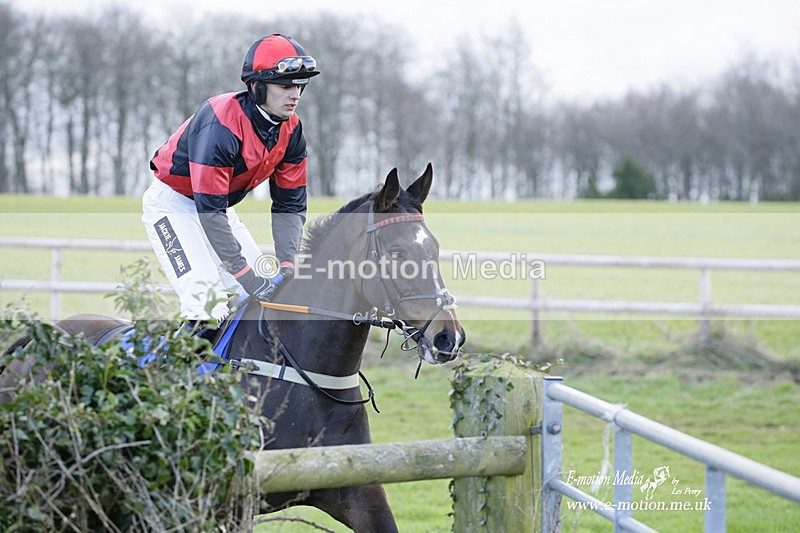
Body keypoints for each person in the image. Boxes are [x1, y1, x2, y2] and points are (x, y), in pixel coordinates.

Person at [142, 33, 319, 325]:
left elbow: (290, 206)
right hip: (173, 206)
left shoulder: (293, 130)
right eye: (286, 85)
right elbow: (208, 212)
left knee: (267, 300)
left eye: (300, 85)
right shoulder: (221, 123)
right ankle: (171, 370)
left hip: (219, 210)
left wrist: (288, 263)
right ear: (257, 87)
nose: (295, 94)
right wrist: (243, 274)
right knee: (206, 304)